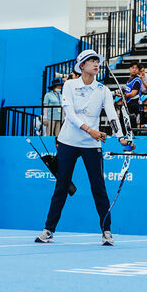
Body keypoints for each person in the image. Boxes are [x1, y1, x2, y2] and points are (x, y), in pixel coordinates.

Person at [35, 49, 127, 247]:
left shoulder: (103, 90)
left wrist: (121, 137)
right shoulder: (69, 84)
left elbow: (112, 115)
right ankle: (48, 230)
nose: (96, 64)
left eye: (97, 61)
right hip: (68, 141)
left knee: (98, 188)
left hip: (91, 146)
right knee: (61, 187)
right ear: (82, 65)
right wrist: (90, 130)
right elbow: (69, 112)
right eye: (91, 61)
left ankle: (106, 232)